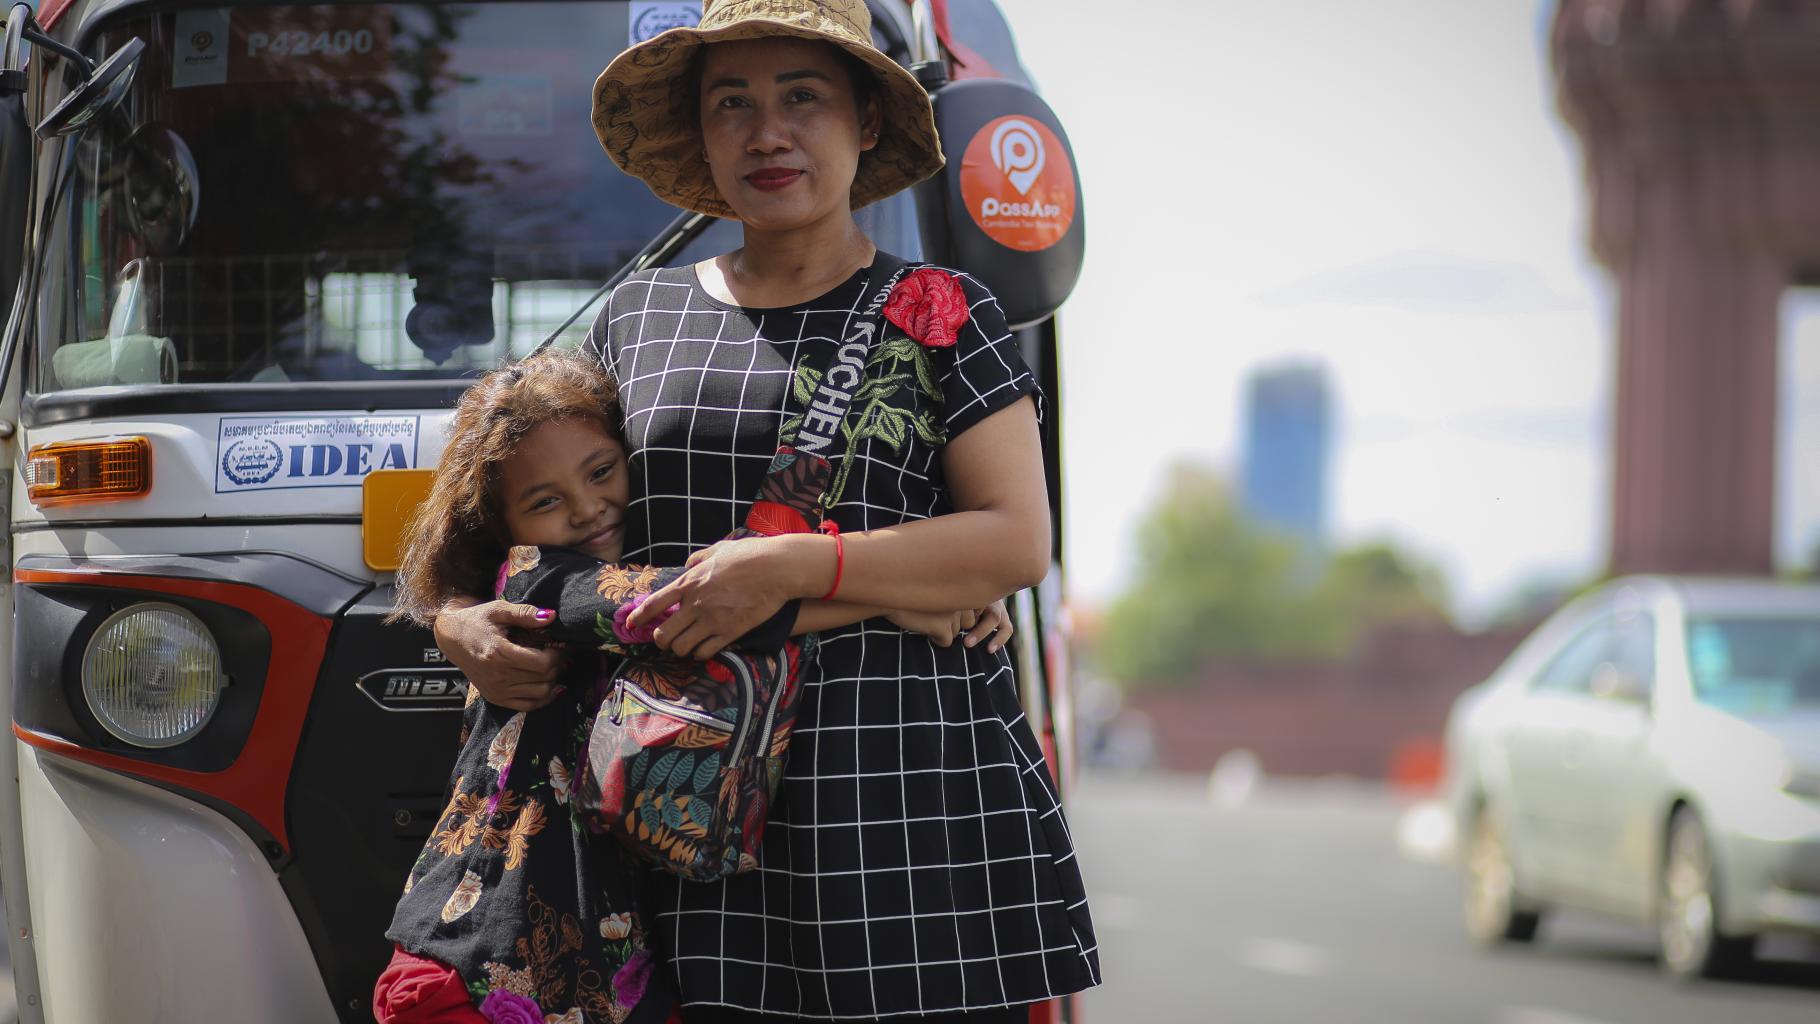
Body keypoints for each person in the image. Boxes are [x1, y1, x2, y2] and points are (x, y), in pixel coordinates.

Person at [432, 1, 1099, 1020]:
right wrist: (457, 621)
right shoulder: (637, 314)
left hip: (910, 797)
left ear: (866, 122)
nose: (767, 132)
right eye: (730, 103)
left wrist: (792, 570)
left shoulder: (948, 311)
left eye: (803, 98)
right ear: (701, 134)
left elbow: (1013, 539)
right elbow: (543, 535)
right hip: (691, 810)